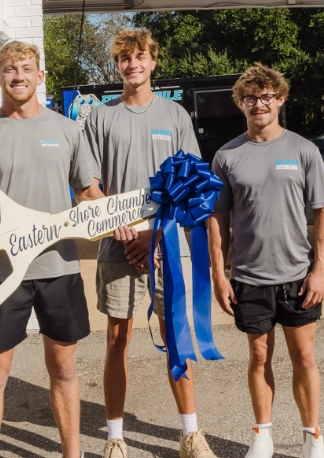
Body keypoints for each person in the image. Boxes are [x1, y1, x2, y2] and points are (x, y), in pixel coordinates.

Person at [0, 40, 101, 458]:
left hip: (59, 267)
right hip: (0, 272)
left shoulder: (67, 130)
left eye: (27, 68)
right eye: (10, 69)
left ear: (40, 75)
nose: (19, 75)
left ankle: (72, 452)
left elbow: (87, 191)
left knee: (63, 368)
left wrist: (120, 216)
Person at [81, 29, 216, 458]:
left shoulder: (175, 116)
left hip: (167, 246)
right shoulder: (100, 118)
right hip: (118, 245)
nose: (132, 64)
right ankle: (115, 438)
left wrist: (155, 235)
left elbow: (193, 186)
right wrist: (122, 226)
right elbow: (87, 186)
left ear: (153, 62)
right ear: (117, 66)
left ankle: (191, 435)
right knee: (117, 338)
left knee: (174, 336)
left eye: (139, 57)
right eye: (124, 59)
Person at [207, 64, 324, 458]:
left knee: (305, 357)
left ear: (280, 99)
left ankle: (313, 436)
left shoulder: (302, 149)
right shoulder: (227, 156)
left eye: (266, 97)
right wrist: (219, 274)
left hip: (298, 276)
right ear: (240, 103)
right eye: (250, 97)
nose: (258, 104)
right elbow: (218, 218)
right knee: (259, 355)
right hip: (249, 276)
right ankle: (261, 435)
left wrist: (320, 272)